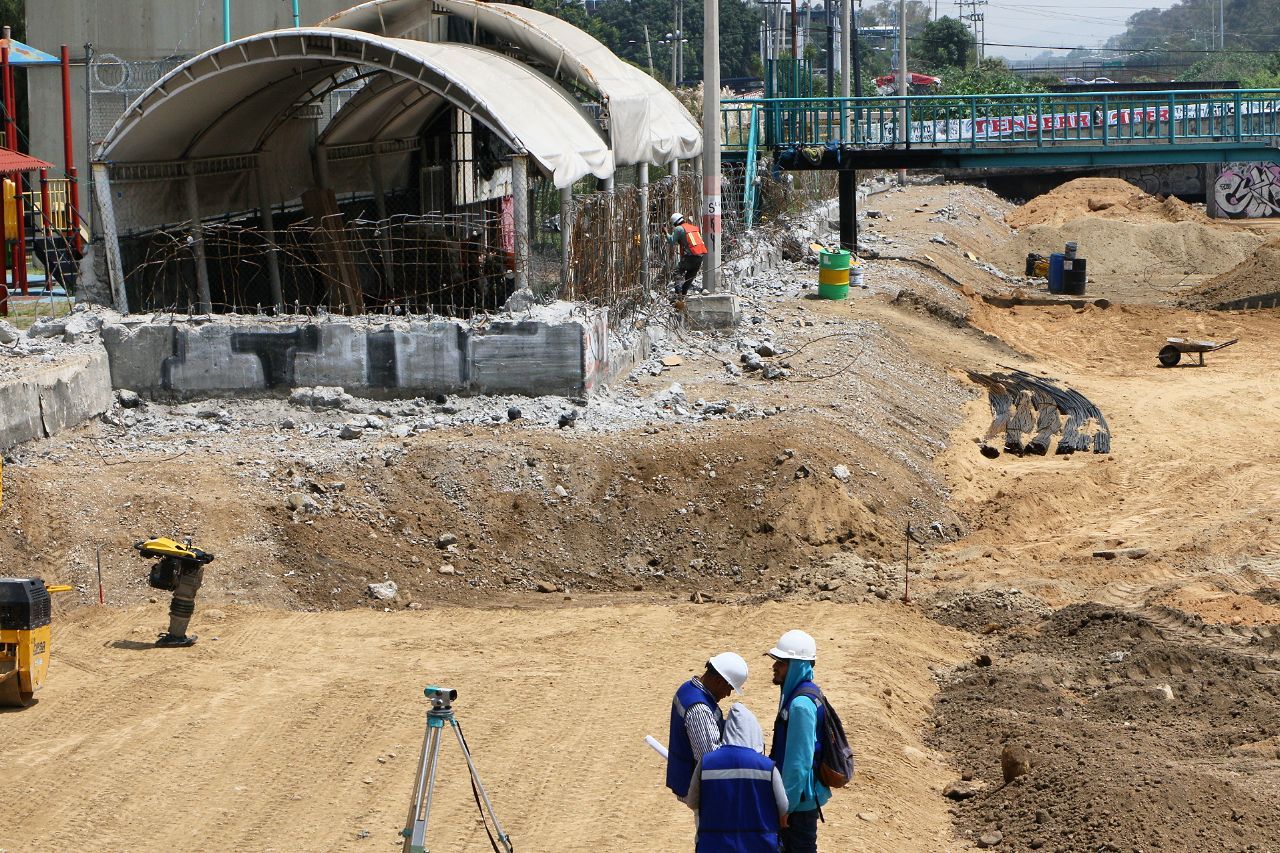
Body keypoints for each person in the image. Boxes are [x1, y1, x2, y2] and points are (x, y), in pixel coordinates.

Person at [685, 703, 789, 852]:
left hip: (714, 846)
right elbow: (783, 806)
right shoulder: (767, 767)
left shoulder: (706, 762)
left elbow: (692, 801)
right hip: (760, 845)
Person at [767, 630, 831, 853]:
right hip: (799, 800)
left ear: (797, 665)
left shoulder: (800, 705)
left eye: (781, 662)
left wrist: (786, 807)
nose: (775, 666)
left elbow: (798, 763)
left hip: (798, 804)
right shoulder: (801, 695)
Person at [666, 651, 749, 801]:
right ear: (719, 681)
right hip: (705, 793)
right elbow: (711, 759)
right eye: (729, 688)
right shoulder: (700, 710)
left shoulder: (687, 687)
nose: (728, 694)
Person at [667, 212, 708, 298]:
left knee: (677, 272)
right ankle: (684, 294)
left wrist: (665, 232)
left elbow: (671, 241)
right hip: (700, 256)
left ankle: (679, 293)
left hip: (689, 257)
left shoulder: (679, 229)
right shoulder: (693, 228)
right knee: (689, 276)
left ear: (675, 223)